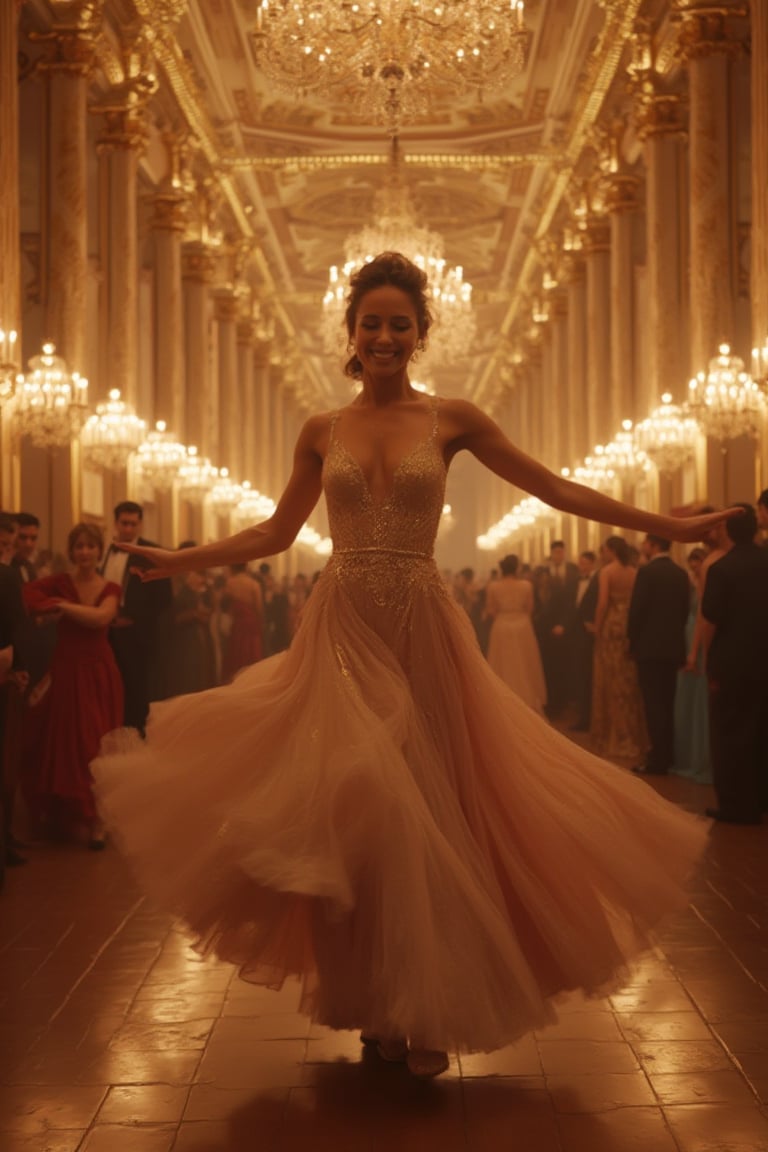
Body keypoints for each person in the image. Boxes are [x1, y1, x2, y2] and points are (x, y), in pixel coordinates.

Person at [92, 252, 737, 1079]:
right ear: (351, 336)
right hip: (343, 632)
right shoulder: (322, 430)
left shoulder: (454, 419)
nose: (386, 335)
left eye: (401, 323)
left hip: (424, 635)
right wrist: (174, 562)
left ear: (421, 334)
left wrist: (673, 529)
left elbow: (555, 489)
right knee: (354, 818)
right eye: (372, 323)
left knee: (434, 814)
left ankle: (423, 1007)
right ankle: (375, 1004)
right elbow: (274, 535)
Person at [24, 523, 123, 848]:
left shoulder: (109, 587)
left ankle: (97, 819)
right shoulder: (60, 582)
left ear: (98, 550)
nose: (84, 552)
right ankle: (62, 813)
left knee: (93, 741)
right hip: (65, 669)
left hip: (97, 672)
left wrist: (62, 607)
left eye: (90, 546)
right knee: (64, 741)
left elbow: (101, 619)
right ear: (71, 551)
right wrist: (47, 607)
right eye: (78, 546)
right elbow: (25, 594)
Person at [701, 503, 768, 824]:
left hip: (731, 662)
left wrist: (705, 658)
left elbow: (711, 619)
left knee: (729, 732)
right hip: (763, 659)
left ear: (726, 530)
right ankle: (759, 800)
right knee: (761, 731)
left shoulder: (721, 569)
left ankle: (734, 804)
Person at [100, 502, 172, 735]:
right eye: (124, 523)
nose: (128, 529)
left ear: (140, 525)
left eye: (133, 524)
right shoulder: (103, 551)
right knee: (108, 687)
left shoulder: (151, 553)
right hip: (106, 632)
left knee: (136, 689)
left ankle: (136, 738)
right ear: (116, 523)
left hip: (137, 635)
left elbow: (163, 598)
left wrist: (133, 620)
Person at [628, 535, 691, 776]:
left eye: (645, 542)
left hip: (649, 648)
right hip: (673, 647)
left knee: (653, 704)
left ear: (653, 545)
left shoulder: (647, 572)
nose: (642, 545)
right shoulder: (680, 573)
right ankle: (669, 755)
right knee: (667, 702)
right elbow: (685, 610)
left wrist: (632, 640)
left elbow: (637, 610)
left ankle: (657, 760)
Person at [590, 535, 648, 762]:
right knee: (628, 681)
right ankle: (632, 735)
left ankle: (612, 734)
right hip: (628, 624)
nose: (602, 553)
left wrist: (596, 626)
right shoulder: (634, 571)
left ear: (611, 549)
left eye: (604, 549)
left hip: (611, 624)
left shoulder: (607, 572)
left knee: (610, 679)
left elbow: (603, 602)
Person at [485, 553, 546, 714]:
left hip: (502, 625)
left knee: (503, 663)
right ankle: (526, 701)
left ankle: (503, 701)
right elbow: (530, 608)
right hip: (522, 626)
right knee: (525, 663)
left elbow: (491, 610)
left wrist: (505, 615)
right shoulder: (526, 585)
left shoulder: (493, 586)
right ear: (517, 568)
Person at [532, 541, 578, 719]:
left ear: (564, 552)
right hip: (544, 627)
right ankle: (550, 702)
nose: (558, 554)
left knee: (564, 665)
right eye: (555, 552)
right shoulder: (541, 572)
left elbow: (572, 603)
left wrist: (564, 624)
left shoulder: (572, 571)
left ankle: (563, 701)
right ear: (551, 553)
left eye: (561, 551)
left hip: (565, 626)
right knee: (547, 665)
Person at [221, 563, 263, 682]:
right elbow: (258, 608)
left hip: (238, 623)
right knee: (251, 652)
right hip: (251, 623)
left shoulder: (230, 583)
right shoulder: (254, 584)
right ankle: (250, 679)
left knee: (236, 652)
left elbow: (226, 605)